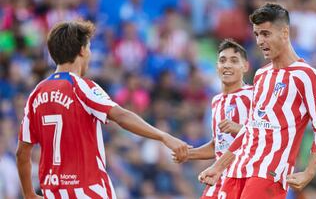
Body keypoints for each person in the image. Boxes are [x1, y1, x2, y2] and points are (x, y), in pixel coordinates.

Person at [16, 20, 190, 199]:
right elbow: (121, 116)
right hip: (90, 192)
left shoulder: (36, 94)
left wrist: (29, 193)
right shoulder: (81, 86)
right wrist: (163, 136)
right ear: (82, 50)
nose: (90, 54)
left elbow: (22, 153)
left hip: (53, 193)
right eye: (89, 48)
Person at [198, 3, 316, 199]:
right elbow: (250, 128)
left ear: (285, 33)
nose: (260, 41)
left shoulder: (306, 75)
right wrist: (218, 166)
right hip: (238, 169)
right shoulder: (261, 75)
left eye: (266, 34)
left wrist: (309, 171)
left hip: (269, 173)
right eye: (257, 34)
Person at [173, 39, 253, 199]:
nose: (227, 65)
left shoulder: (253, 95)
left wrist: (238, 128)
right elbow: (218, 145)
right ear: (217, 67)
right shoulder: (216, 101)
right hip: (220, 175)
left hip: (244, 175)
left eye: (234, 60)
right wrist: (189, 154)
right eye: (223, 60)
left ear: (245, 66)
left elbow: (263, 135)